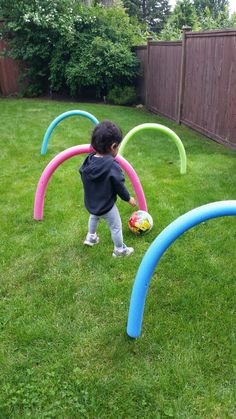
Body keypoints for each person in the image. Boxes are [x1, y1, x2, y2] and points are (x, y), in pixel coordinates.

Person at [79, 120, 136, 257]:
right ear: (113, 146)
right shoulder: (112, 166)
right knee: (116, 227)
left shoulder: (89, 160)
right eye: (118, 147)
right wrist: (128, 198)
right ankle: (119, 250)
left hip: (92, 204)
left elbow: (84, 175)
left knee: (94, 217)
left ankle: (91, 237)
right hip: (107, 206)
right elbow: (119, 186)